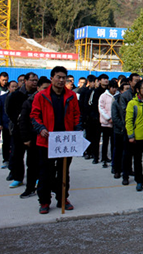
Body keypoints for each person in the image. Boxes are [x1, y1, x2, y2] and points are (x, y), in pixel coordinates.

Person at [30, 66, 81, 214]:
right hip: (46, 141)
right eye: (58, 77)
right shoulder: (41, 96)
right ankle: (44, 201)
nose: (61, 80)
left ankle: (63, 198)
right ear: (51, 78)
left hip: (65, 140)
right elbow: (34, 115)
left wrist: (77, 128)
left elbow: (77, 115)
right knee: (46, 173)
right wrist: (41, 129)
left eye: (63, 77)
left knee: (64, 171)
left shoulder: (71, 96)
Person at [18, 77, 51, 198]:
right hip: (33, 138)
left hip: (48, 139)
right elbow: (23, 122)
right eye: (44, 89)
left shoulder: (52, 101)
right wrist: (26, 138)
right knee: (32, 165)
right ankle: (30, 188)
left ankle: (46, 187)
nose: (47, 91)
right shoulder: (29, 102)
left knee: (47, 166)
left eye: (49, 89)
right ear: (38, 88)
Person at [6, 72, 38, 187]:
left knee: (33, 157)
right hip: (19, 130)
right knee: (17, 156)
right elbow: (9, 111)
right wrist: (20, 122)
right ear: (25, 81)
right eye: (32, 80)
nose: (34, 82)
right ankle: (18, 178)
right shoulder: (16, 95)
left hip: (34, 130)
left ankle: (35, 177)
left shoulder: (39, 95)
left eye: (36, 80)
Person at [125, 80, 143, 193]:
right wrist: (131, 135)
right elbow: (129, 121)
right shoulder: (132, 103)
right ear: (138, 90)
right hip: (137, 137)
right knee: (138, 160)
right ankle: (139, 181)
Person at [0, 80, 18, 171]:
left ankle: (13, 161)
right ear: (8, 87)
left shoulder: (19, 97)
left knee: (14, 144)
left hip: (15, 125)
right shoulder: (2, 98)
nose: (15, 88)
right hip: (5, 125)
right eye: (12, 86)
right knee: (6, 143)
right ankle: (6, 160)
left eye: (16, 86)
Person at [111, 80, 130, 180]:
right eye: (126, 89)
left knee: (127, 153)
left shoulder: (131, 101)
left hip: (129, 131)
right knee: (118, 151)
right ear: (121, 91)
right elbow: (115, 118)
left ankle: (127, 170)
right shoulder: (116, 102)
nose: (128, 92)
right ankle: (117, 170)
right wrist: (124, 127)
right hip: (120, 131)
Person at [98, 80, 118, 168]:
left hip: (115, 123)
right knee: (105, 142)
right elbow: (101, 108)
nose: (114, 90)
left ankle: (113, 159)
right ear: (109, 88)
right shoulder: (103, 96)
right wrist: (108, 118)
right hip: (106, 123)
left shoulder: (117, 96)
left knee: (114, 143)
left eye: (116, 88)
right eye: (113, 88)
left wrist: (115, 119)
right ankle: (104, 158)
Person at [78, 75, 98, 161]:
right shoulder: (83, 91)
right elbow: (82, 105)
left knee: (93, 137)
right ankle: (86, 151)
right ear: (90, 82)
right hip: (86, 116)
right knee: (87, 136)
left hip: (93, 118)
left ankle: (92, 153)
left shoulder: (95, 91)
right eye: (95, 82)